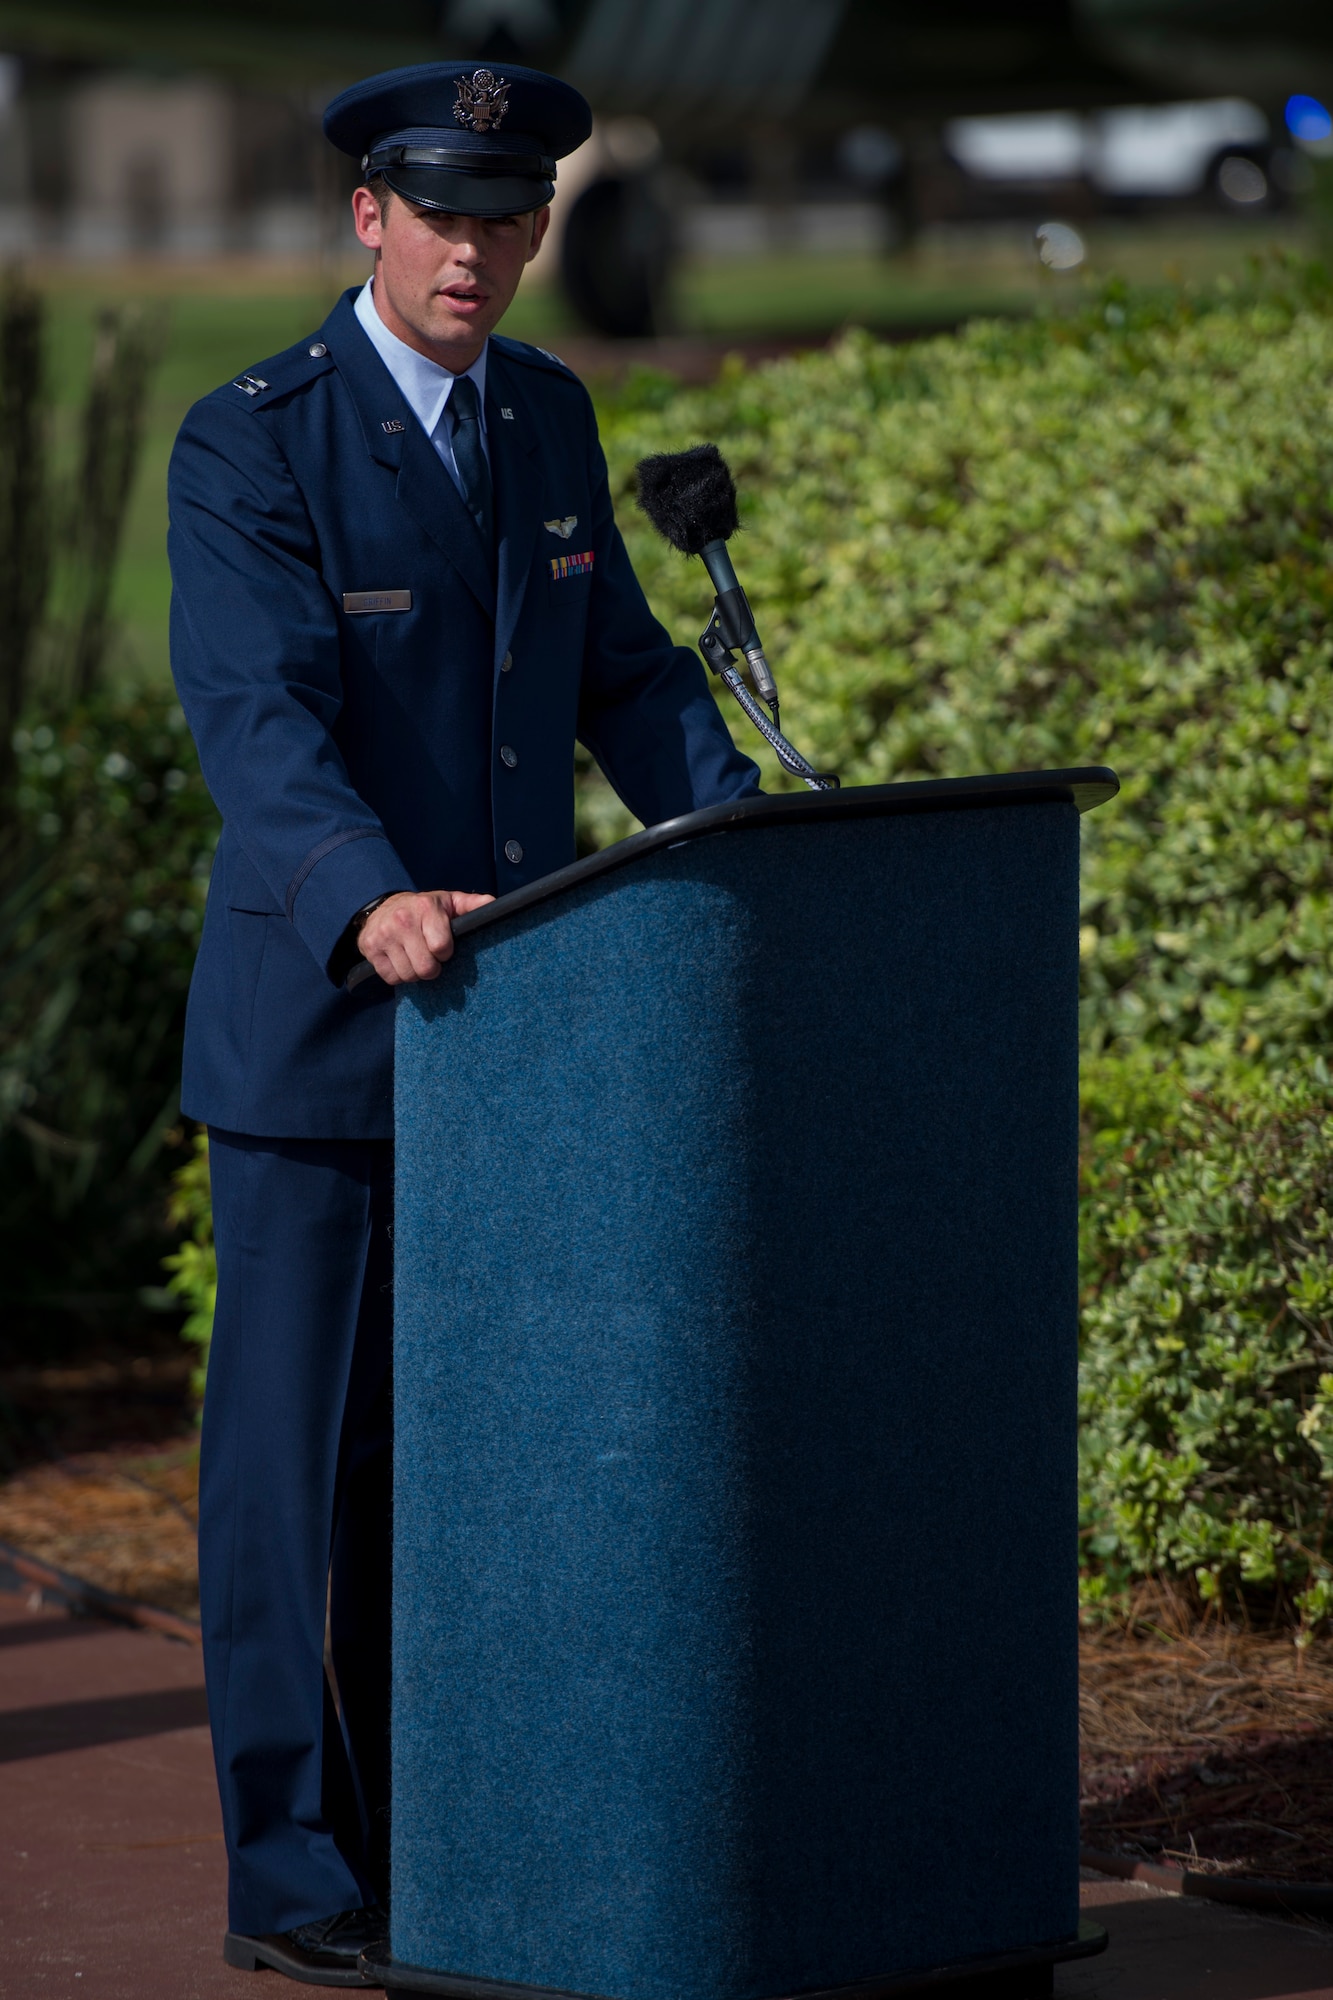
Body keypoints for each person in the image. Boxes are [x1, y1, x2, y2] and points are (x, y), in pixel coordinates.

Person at [167, 60, 760, 1989]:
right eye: (444, 214)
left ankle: (445, 1839)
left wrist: (756, 849)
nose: (479, 253)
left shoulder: (551, 417)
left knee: (456, 1467)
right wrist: (371, 890)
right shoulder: (251, 440)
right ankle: (291, 1872)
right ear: (368, 217)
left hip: (518, 1037)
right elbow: (259, 722)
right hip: (325, 1033)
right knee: (290, 1472)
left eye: (511, 218)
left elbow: (621, 677)